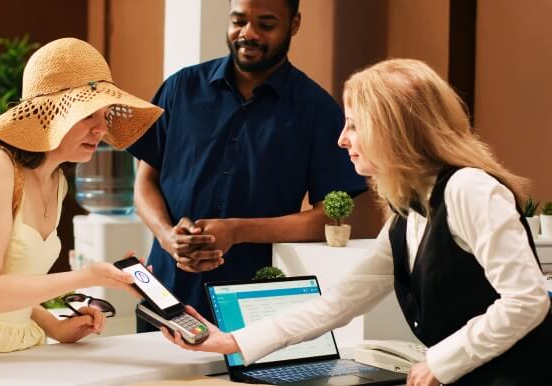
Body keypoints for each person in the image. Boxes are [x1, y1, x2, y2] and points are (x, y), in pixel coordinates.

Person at [161, 58, 552, 386]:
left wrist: (441, 361)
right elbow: (340, 302)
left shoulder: (470, 189)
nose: (342, 140)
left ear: (394, 128)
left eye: (354, 124)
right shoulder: (407, 209)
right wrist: (232, 341)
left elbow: (526, 300)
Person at [127, 0, 366, 326]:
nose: (248, 34)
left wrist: (238, 230)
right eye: (239, 21)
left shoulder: (317, 109)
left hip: (254, 304)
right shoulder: (180, 88)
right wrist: (168, 236)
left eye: (266, 25)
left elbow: (329, 218)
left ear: (294, 24)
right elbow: (145, 181)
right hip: (166, 292)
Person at [0, 37, 163, 357]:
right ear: (52, 114)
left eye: (106, 115)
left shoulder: (56, 182)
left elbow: (12, 282)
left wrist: (53, 325)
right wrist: (88, 276)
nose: (101, 129)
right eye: (88, 115)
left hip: (23, 349)